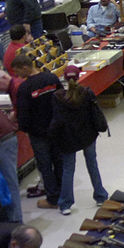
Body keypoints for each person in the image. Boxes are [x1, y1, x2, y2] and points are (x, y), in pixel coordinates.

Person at [48, 65, 109, 215]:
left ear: (64, 78)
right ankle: (100, 196)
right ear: (78, 76)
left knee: (68, 169)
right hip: (88, 135)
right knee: (92, 164)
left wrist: (52, 136)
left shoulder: (57, 97)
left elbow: (57, 120)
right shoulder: (86, 93)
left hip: (68, 139)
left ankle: (65, 204)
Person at [10, 54, 63, 210]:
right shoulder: (51, 78)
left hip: (39, 134)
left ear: (25, 67)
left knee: (45, 166)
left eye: (17, 71)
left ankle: (52, 199)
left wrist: (24, 129)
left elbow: (23, 114)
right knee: (59, 162)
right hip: (56, 128)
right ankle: (63, 193)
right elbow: (62, 98)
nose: (16, 75)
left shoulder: (25, 88)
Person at [0, 97, 21, 223]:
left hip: (2, 142)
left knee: (9, 182)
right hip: (6, 139)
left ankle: (16, 222)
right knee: (9, 181)